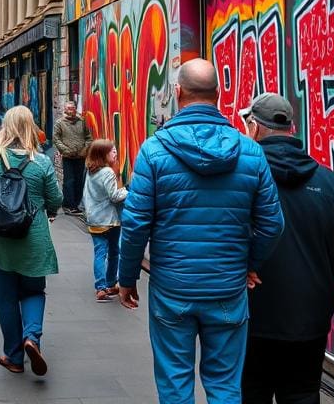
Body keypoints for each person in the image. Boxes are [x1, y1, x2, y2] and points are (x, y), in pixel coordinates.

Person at [118, 59, 284, 404]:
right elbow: (272, 223)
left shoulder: (154, 151)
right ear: (218, 95)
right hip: (227, 287)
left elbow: (135, 224)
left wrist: (127, 277)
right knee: (225, 385)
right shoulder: (250, 152)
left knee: (175, 382)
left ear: (177, 92)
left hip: (172, 288)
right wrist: (249, 263)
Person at [240, 93, 334, 404]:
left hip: (251, 315)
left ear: (254, 128)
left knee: (252, 392)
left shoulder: (242, 180)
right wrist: (318, 273)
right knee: (303, 393)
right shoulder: (326, 180)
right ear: (292, 129)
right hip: (309, 317)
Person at [0, 105, 63, 376]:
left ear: (6, 127)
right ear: (30, 127)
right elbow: (56, 199)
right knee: (33, 290)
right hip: (33, 238)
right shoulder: (41, 161)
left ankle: (13, 356)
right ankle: (32, 337)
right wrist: (47, 207)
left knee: (6, 297)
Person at [83, 139, 128, 303]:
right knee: (114, 253)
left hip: (94, 218)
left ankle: (100, 288)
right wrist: (130, 190)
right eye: (112, 151)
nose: (116, 153)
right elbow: (115, 196)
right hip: (109, 219)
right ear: (103, 155)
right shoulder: (107, 172)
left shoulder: (91, 170)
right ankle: (108, 284)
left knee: (99, 253)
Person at [52, 102, 92, 214]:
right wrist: (65, 150)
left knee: (80, 181)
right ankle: (68, 205)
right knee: (69, 181)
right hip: (68, 157)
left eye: (73, 108)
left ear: (75, 110)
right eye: (68, 109)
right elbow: (56, 139)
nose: (71, 111)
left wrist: (85, 149)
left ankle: (76, 204)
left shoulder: (82, 122)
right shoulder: (60, 123)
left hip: (80, 156)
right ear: (65, 109)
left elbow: (88, 137)